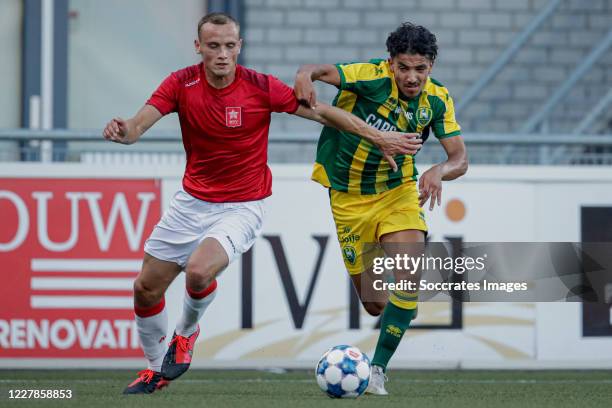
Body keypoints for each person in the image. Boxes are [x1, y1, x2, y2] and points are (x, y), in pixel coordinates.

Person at [102, 13, 422, 395]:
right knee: (145, 289)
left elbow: (323, 113)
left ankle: (185, 335)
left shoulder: (259, 87)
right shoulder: (180, 83)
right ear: (198, 47)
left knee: (199, 273)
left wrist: (376, 137)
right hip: (190, 203)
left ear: (240, 46)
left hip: (242, 205)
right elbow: (137, 127)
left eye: (229, 45)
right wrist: (124, 132)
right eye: (214, 45)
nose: (222, 53)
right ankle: (157, 371)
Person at [294, 22, 468, 395]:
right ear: (390, 64)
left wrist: (439, 170)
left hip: (398, 192)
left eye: (420, 69)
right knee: (374, 304)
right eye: (403, 67)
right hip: (348, 197)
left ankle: (376, 370)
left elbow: (460, 158)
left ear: (431, 67)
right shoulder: (368, 77)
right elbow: (316, 71)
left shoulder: (437, 99)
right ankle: (399, 311)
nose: (411, 77)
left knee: (408, 278)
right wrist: (303, 76)